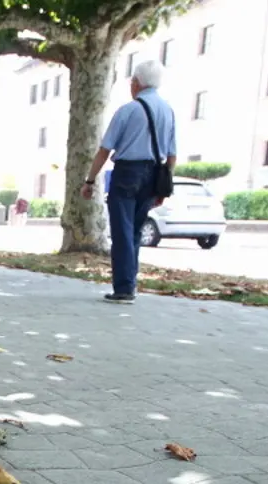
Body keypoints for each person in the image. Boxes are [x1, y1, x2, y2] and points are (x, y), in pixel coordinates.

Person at [81, 59, 176, 304]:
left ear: (136, 83)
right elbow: (172, 154)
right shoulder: (168, 111)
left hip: (127, 174)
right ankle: (129, 283)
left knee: (122, 231)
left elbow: (104, 149)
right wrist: (164, 185)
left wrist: (90, 181)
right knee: (134, 231)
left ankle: (124, 288)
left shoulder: (128, 110)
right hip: (154, 173)